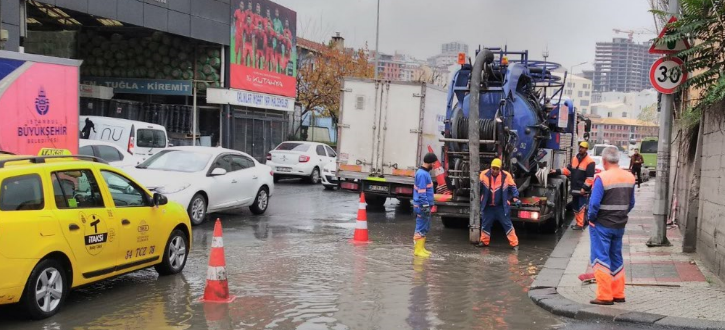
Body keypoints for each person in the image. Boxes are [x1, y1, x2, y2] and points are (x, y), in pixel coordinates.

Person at [587, 146, 636, 305]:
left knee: (600, 258)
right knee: (616, 257)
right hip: (619, 225)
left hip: (601, 224)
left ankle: (604, 296)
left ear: (604, 160)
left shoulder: (602, 178)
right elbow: (631, 203)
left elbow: (594, 204)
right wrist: (621, 214)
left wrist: (591, 219)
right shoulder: (629, 177)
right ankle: (618, 293)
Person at [551, 141, 596, 230]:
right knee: (575, 207)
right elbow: (568, 170)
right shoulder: (575, 159)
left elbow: (590, 178)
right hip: (575, 188)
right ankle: (579, 223)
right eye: (580, 147)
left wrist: (584, 188)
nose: (581, 149)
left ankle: (580, 224)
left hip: (583, 189)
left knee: (582, 207)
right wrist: (556, 171)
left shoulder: (590, 162)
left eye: (583, 148)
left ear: (586, 149)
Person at [478, 158, 521, 250]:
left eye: (497, 169)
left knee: (507, 224)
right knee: (486, 224)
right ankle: (484, 242)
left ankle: (514, 244)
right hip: (488, 206)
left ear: (500, 169)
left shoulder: (506, 176)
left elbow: (513, 187)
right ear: (491, 167)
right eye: (493, 168)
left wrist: (516, 198)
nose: (495, 170)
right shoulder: (483, 174)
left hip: (501, 206)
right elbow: (478, 188)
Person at [413, 153, 437, 257]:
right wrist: (426, 206)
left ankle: (421, 248)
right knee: (421, 227)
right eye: (434, 163)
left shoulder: (423, 173)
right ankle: (418, 250)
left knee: (424, 227)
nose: (434, 165)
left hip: (423, 205)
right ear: (430, 162)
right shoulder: (423, 174)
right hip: (422, 206)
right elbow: (422, 193)